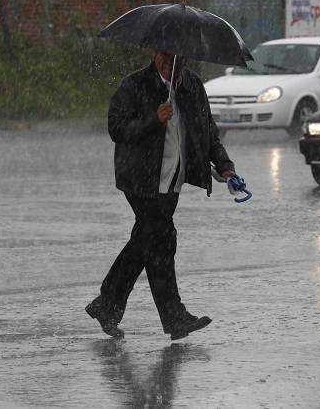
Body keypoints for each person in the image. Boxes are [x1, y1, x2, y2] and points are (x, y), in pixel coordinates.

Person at [85, 49, 240, 340]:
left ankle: (107, 304)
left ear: (187, 60)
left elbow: (209, 133)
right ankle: (174, 317)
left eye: (179, 60)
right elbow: (116, 128)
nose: (172, 65)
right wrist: (153, 119)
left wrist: (226, 168)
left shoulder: (192, 86)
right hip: (140, 181)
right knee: (162, 241)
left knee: (145, 242)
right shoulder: (135, 85)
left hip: (173, 180)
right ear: (156, 55)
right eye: (166, 58)